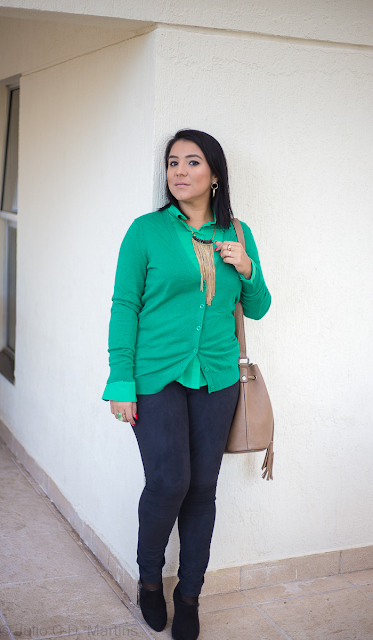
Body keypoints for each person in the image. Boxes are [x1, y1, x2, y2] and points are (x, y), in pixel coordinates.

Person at [102, 129, 271, 640]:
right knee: (169, 482)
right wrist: (120, 379)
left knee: (202, 489)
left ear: (215, 175)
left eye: (192, 162)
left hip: (217, 377)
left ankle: (189, 594)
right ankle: (150, 581)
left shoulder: (238, 233)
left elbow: (259, 306)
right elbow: (125, 305)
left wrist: (247, 268)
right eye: (173, 162)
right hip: (155, 377)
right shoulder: (146, 231)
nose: (179, 171)